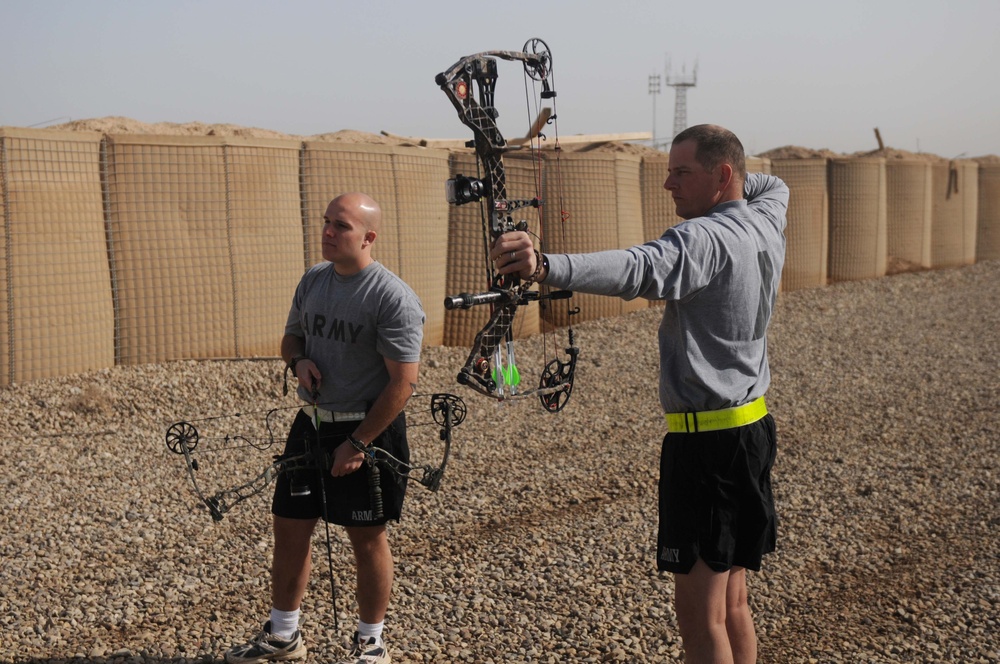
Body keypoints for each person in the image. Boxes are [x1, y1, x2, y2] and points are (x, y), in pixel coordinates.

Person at [492, 124, 788, 664]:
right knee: (734, 603)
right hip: (751, 430)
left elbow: (638, 269)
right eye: (668, 171)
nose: (669, 185)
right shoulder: (767, 214)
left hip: (707, 450)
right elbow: (771, 183)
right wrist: (736, 180)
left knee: (701, 618)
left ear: (722, 177)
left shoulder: (704, 239)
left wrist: (545, 266)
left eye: (682, 173)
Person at [225, 192, 424, 664]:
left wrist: (358, 443)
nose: (328, 233)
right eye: (326, 223)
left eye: (342, 226)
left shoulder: (392, 297)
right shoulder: (314, 278)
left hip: (367, 432)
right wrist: (299, 361)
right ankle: (284, 636)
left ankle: (371, 642)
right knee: (290, 529)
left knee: (367, 536)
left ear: (369, 238)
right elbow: (291, 336)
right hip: (310, 423)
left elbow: (403, 383)